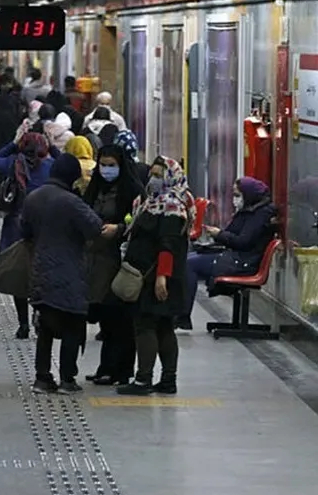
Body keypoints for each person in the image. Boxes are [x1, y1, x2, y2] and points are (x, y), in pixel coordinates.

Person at [21, 152, 119, 393]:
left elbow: (25, 231)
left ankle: (42, 378)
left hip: (41, 271)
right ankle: (67, 379)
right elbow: (95, 227)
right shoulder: (71, 202)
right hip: (70, 273)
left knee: (45, 327)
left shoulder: (33, 197)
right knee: (73, 325)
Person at [117, 157, 193, 396]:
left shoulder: (172, 206)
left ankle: (143, 379)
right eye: (153, 173)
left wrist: (162, 277)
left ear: (171, 177)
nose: (153, 179)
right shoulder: (152, 202)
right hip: (153, 273)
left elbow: (168, 244)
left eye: (159, 175)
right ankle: (168, 379)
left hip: (156, 277)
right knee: (164, 327)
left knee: (146, 325)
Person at [82, 144, 144, 385]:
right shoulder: (95, 187)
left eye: (112, 165)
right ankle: (106, 367)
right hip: (96, 259)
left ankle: (121, 369)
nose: (107, 170)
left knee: (120, 317)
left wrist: (119, 228)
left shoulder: (132, 190)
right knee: (106, 318)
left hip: (120, 260)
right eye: (103, 165)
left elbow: (136, 219)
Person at [182, 177, 277, 329]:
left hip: (243, 263)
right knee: (188, 258)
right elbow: (233, 234)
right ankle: (181, 315)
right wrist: (218, 235)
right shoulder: (248, 211)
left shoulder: (260, 214)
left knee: (189, 264)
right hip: (235, 257)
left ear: (248, 194)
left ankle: (182, 316)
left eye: (237, 195)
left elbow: (243, 241)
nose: (234, 199)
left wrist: (219, 234)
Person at [0, 132, 55, 338]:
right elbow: (67, 165)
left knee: (19, 275)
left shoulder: (12, 163)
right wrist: (53, 146)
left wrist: (13, 143)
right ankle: (39, 312)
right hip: (43, 228)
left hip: (15, 227)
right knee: (40, 274)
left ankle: (23, 324)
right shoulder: (50, 166)